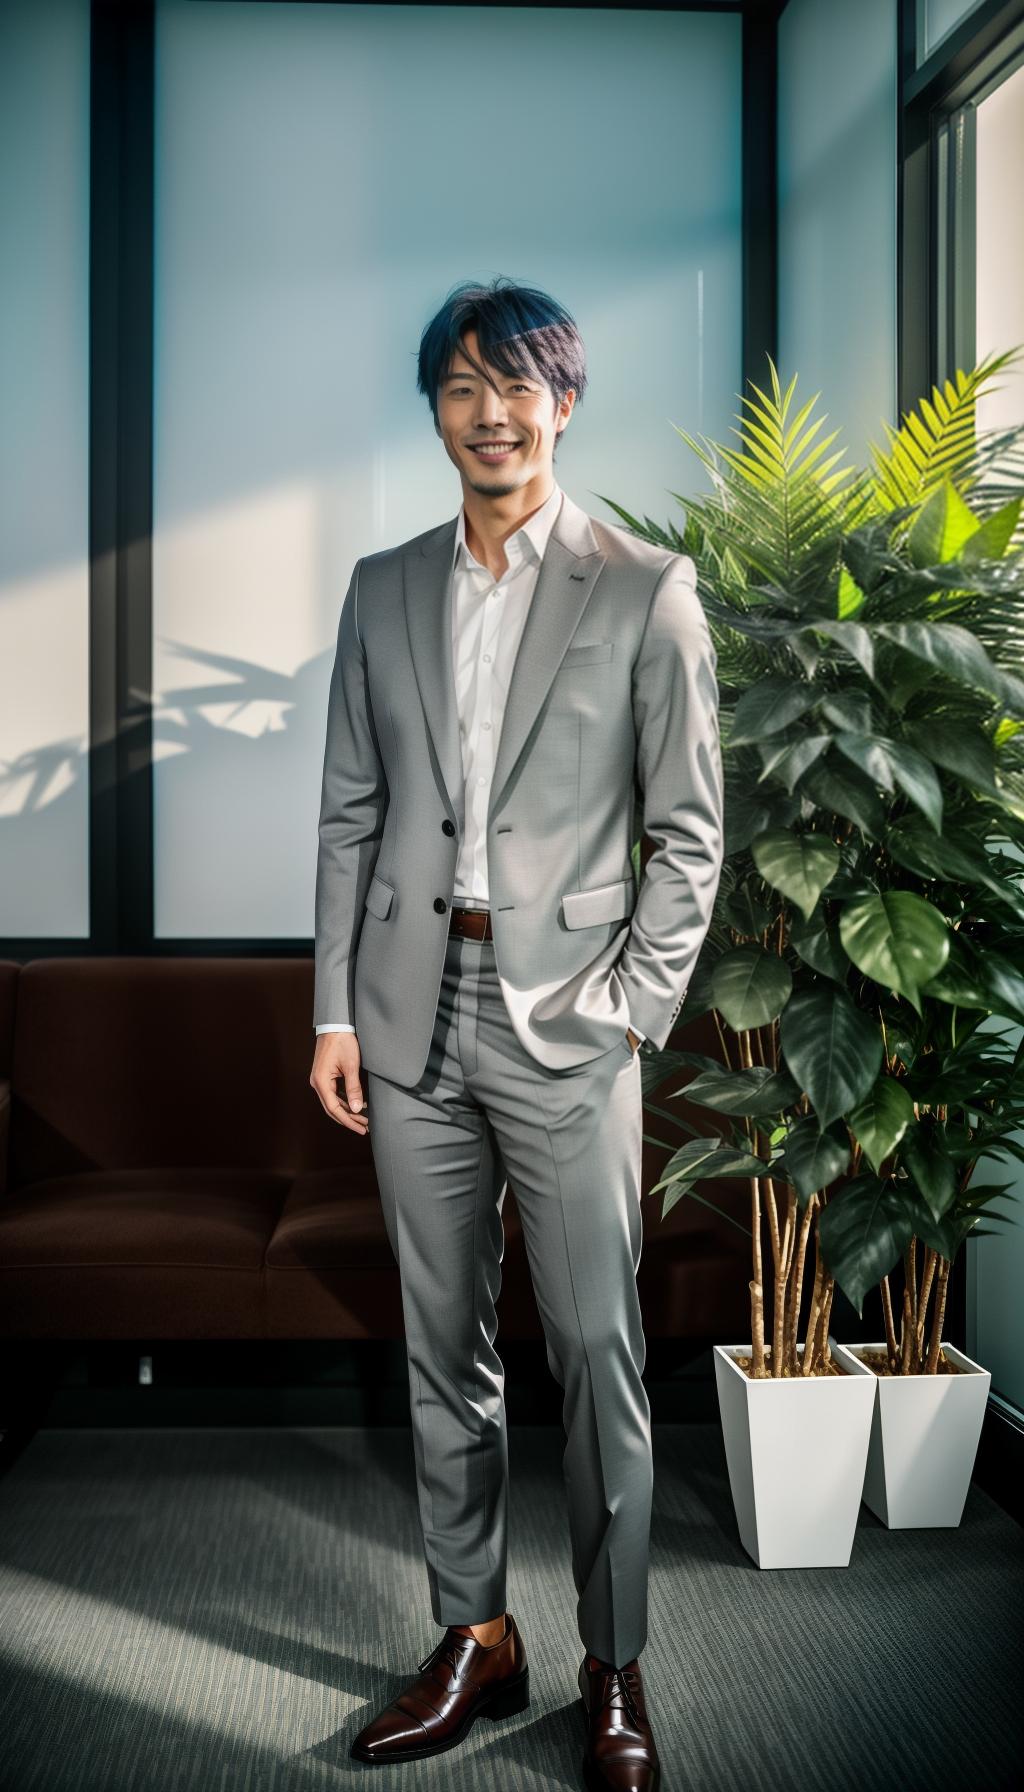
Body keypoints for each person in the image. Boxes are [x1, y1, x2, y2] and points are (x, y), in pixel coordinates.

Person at [310, 277, 724, 1791]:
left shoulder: (643, 588)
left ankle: (614, 1668)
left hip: (570, 1024)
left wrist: (625, 1013)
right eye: (462, 386)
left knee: (599, 1353)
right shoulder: (384, 585)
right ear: (434, 410)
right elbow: (352, 811)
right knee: (442, 1351)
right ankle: (476, 1638)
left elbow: (689, 839)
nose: (492, 411)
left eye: (519, 384)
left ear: (565, 400)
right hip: (414, 1018)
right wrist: (337, 1009)